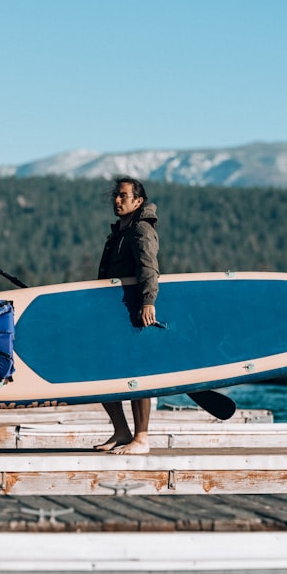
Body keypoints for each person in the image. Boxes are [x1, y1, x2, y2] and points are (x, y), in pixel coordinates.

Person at [94, 176, 159, 454]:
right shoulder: (119, 232)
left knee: (137, 374)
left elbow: (148, 266)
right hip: (112, 314)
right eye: (116, 196)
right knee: (103, 371)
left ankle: (141, 438)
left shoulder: (141, 230)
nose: (117, 200)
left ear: (138, 201)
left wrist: (147, 301)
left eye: (123, 196)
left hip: (132, 312)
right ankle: (121, 431)